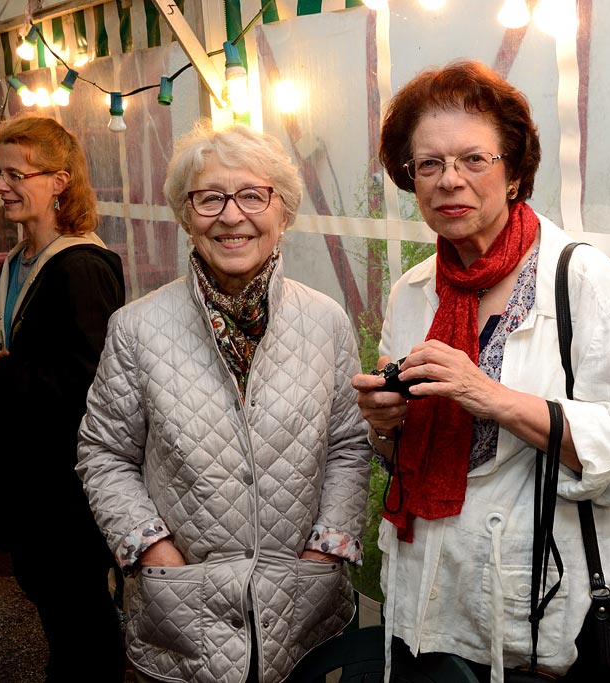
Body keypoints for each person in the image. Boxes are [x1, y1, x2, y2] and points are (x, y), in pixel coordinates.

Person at [351, 60, 610, 682]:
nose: (449, 181)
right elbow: (402, 455)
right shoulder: (415, 292)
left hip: (531, 613)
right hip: (426, 594)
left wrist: (490, 396)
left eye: (474, 160)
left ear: (515, 172)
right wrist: (387, 425)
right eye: (429, 165)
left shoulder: (585, 286)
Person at [75, 120, 372, 683]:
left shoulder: (325, 320)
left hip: (302, 605)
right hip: (184, 609)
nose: (232, 216)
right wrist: (150, 550)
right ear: (187, 217)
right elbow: (103, 453)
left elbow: (349, 446)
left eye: (253, 196)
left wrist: (327, 551)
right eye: (210, 198)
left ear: (282, 212)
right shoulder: (137, 327)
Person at [0, 115, 126, 682]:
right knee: (54, 605)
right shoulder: (17, 261)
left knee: (79, 614)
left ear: (59, 181)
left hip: (67, 482)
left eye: (14, 174)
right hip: (32, 471)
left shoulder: (81, 267)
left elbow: (89, 382)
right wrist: (5, 366)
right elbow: (48, 357)